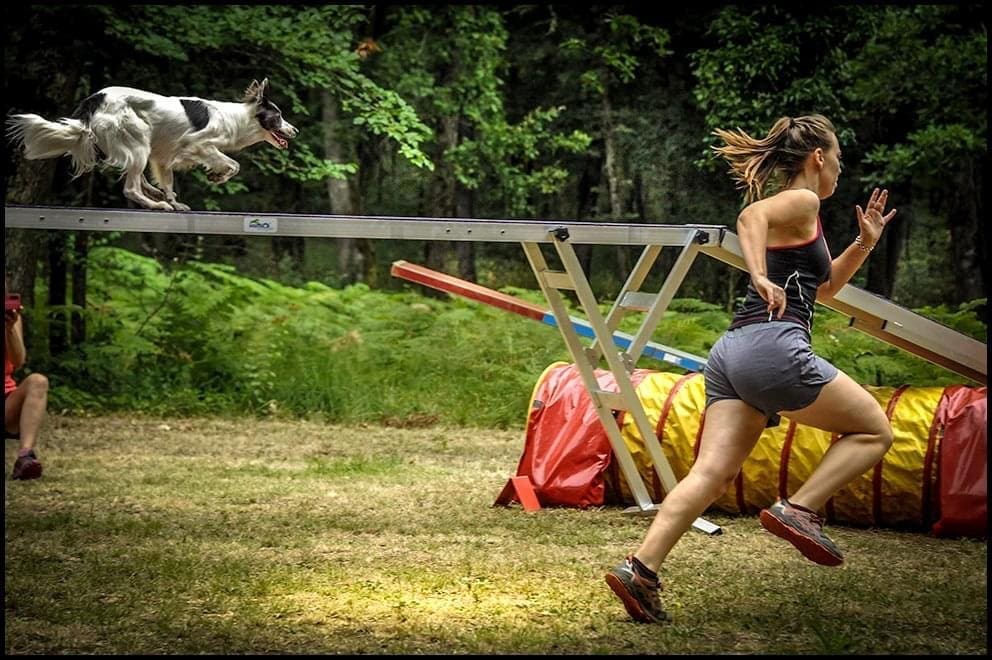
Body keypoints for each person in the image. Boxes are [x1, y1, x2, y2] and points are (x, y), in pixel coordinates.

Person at [605, 114, 898, 623]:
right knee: (875, 430)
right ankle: (800, 509)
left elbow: (825, 289)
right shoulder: (803, 200)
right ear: (819, 158)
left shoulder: (804, 216)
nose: (840, 170)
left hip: (733, 352)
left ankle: (641, 570)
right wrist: (760, 276)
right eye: (839, 159)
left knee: (711, 474)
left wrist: (865, 241)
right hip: (773, 347)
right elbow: (749, 218)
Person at [5, 279, 49, 480]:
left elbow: (18, 360)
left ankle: (25, 456)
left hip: (7, 402)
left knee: (38, 381)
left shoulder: (12, 319)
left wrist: (10, 329)